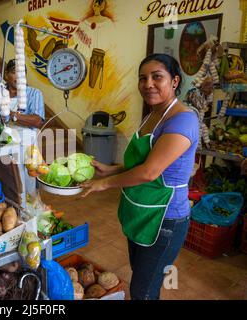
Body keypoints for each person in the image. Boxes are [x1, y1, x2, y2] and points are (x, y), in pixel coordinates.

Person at [81, 54, 200, 300]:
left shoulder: (183, 121)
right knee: (142, 275)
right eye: (142, 78)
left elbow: (149, 172)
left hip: (165, 218)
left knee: (142, 290)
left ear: (174, 81)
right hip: (143, 211)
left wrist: (104, 184)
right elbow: (143, 161)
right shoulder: (153, 114)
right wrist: (112, 169)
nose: (148, 84)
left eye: (157, 77)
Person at [3, 59, 46, 198]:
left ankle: (28, 209)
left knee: (27, 179)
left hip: (26, 145)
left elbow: (38, 121)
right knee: (7, 178)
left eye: (23, 73)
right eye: (15, 73)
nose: (19, 77)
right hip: (3, 142)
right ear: (6, 75)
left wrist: (13, 116)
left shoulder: (34, 93)